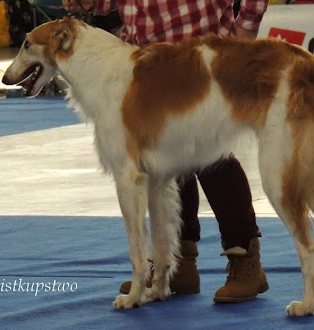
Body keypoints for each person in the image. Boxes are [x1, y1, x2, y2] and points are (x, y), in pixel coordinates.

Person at [62, 0, 269, 303]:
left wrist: (245, 30)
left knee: (214, 160)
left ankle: (245, 259)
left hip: (201, 55)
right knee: (165, 160)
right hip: (145, 63)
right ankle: (177, 261)